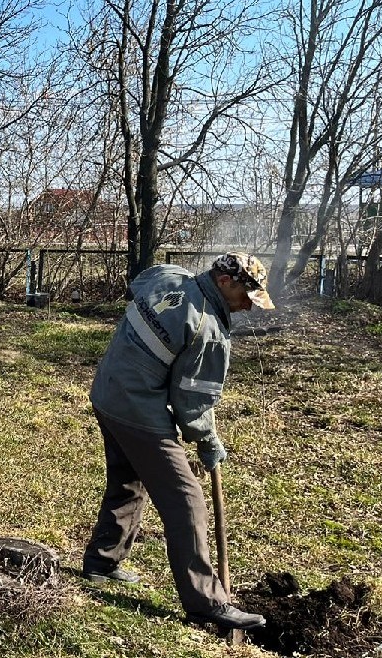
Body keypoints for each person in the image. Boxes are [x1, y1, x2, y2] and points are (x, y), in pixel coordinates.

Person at [81, 252, 275, 631]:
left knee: (128, 479)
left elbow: (138, 283)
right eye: (247, 297)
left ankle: (102, 562)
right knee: (186, 498)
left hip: (107, 391)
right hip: (136, 409)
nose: (249, 309)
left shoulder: (169, 275)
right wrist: (207, 442)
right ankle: (206, 601)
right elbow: (193, 401)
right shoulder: (209, 329)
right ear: (225, 282)